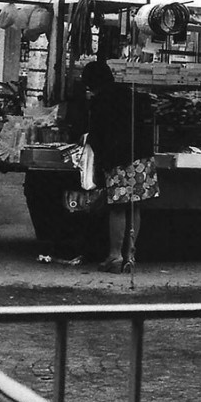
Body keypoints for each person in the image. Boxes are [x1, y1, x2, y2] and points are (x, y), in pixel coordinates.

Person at [82, 60, 158, 273]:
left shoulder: (99, 101)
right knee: (135, 206)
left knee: (117, 208)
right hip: (142, 156)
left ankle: (115, 256)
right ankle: (130, 255)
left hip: (118, 159)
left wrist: (97, 160)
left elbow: (96, 136)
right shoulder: (132, 94)